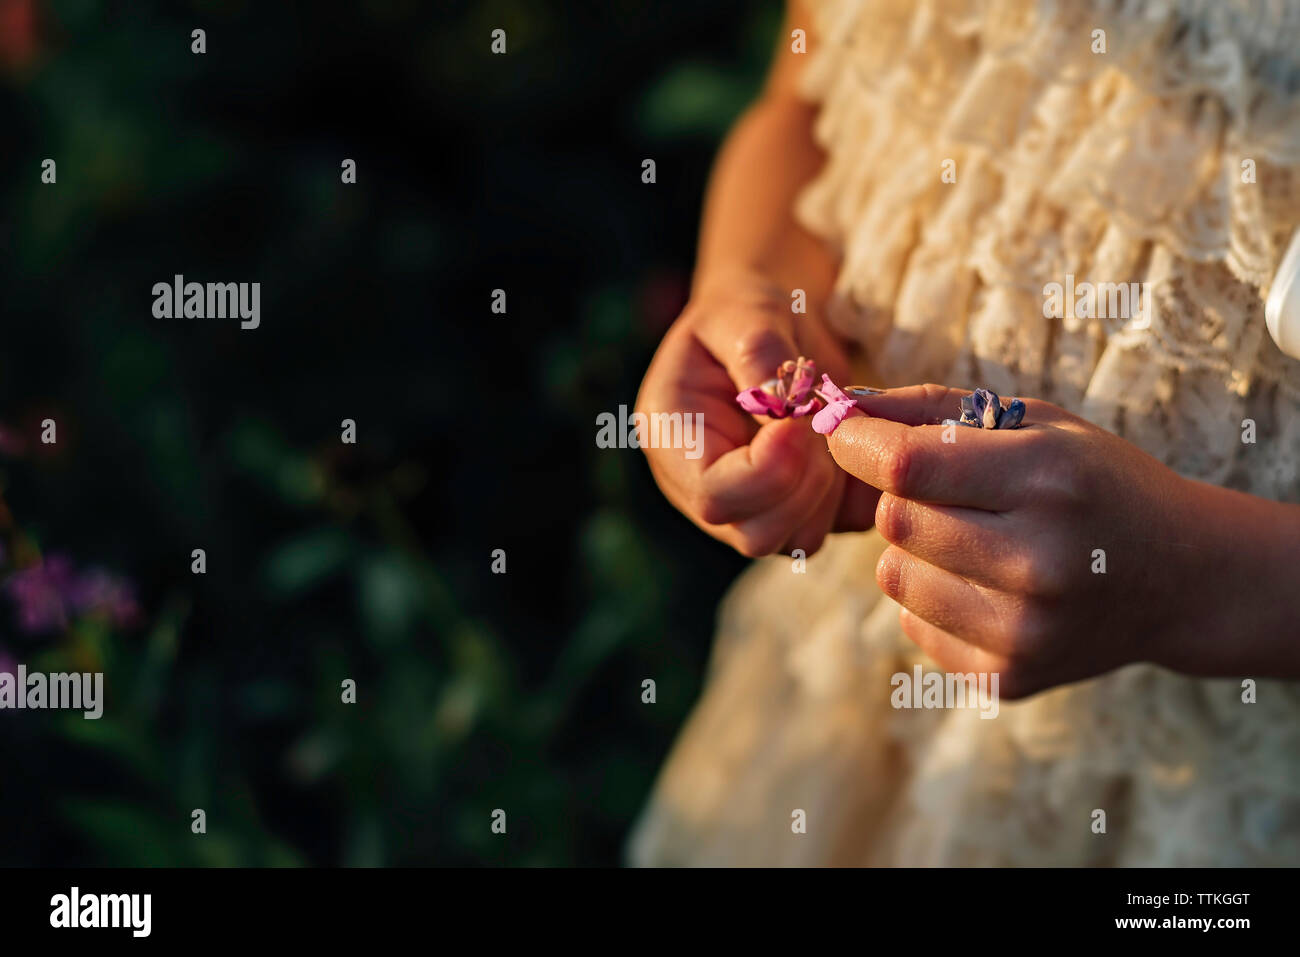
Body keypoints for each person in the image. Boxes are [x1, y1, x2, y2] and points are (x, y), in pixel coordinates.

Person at [629, 0, 1300, 865]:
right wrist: (752, 280)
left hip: (1209, 787)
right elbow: (805, 96)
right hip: (860, 673)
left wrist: (1191, 583)